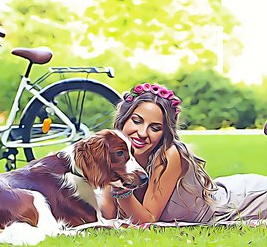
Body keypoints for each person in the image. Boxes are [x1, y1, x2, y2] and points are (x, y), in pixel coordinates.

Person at [99, 83, 267, 224]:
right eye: (137, 121)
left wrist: (121, 188)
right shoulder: (116, 156)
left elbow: (147, 220)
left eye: (155, 128)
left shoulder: (170, 155)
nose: (142, 133)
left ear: (165, 133)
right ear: (123, 121)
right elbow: (108, 215)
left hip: (244, 201)